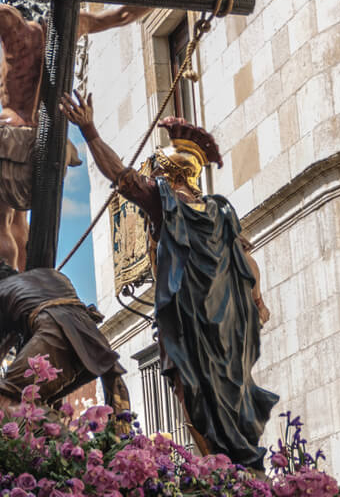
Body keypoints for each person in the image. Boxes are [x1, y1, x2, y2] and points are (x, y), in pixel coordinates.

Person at [59, 91, 277, 470]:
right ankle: (244, 474)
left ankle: (225, 477)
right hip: (230, 334)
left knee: (200, 404)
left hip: (192, 331)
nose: (152, 177)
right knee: (232, 407)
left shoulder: (166, 204)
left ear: (167, 175)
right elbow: (248, 262)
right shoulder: (220, 213)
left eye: (156, 172)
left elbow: (121, 177)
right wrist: (257, 301)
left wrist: (90, 131)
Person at [0, 0, 191, 271]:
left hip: (11, 131)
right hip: (48, 138)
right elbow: (123, 15)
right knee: (22, 220)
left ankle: (9, 281)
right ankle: (27, 275)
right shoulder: (74, 23)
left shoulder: (11, 22)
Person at [0, 251, 130, 413]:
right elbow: (10, 338)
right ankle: (66, 443)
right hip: (91, 344)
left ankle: (61, 445)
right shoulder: (52, 276)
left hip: (53, 335)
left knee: (8, 405)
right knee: (39, 404)